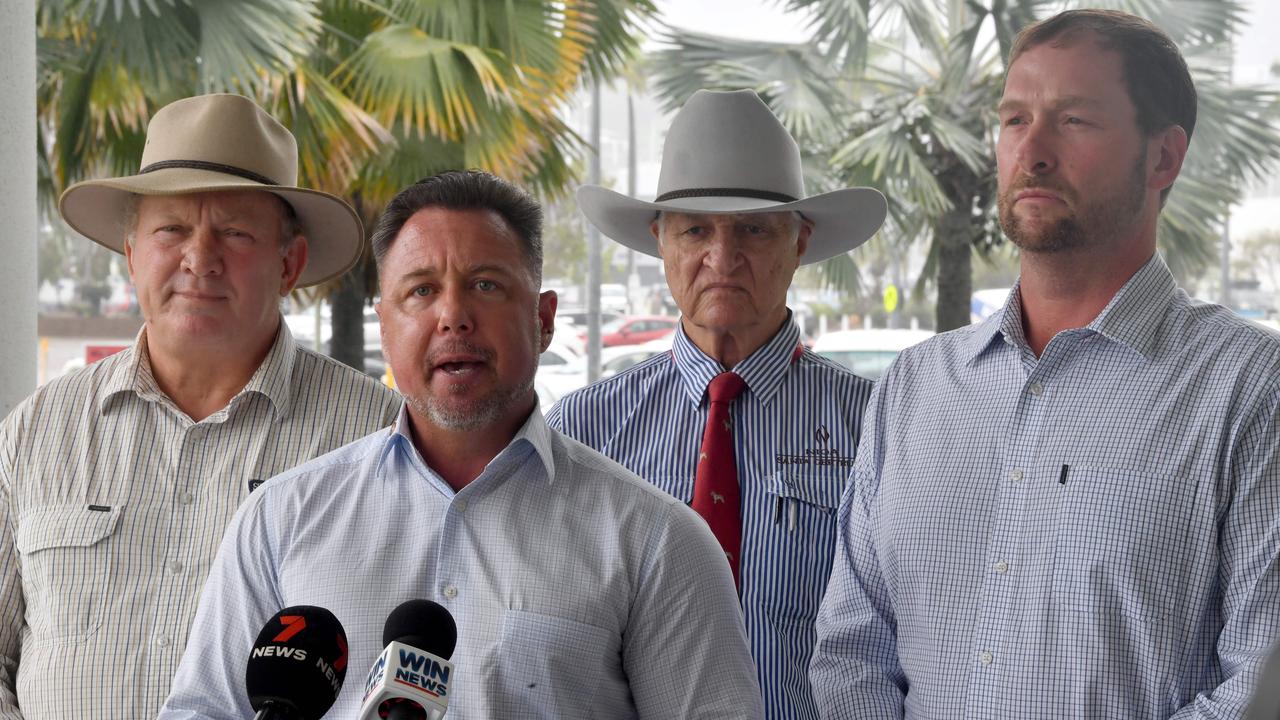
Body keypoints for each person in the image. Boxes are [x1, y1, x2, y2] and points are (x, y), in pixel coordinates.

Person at [810, 10, 1280, 719]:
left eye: (1074, 121)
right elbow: (852, 650)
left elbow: (1258, 689)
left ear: (1163, 158)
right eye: (1014, 119)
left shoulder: (1248, 389)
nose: (1031, 150)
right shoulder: (916, 386)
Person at [158, 170, 763, 719]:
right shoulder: (281, 519)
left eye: (485, 285)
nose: (453, 316)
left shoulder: (657, 540)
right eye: (420, 291)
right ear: (384, 324)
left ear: (545, 319)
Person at [0, 93, 400, 719]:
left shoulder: (376, 436)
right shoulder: (35, 431)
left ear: (289, 263)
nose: (199, 258)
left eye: (235, 232)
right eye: (172, 230)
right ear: (132, 254)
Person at [548, 88, 888, 719]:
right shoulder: (583, 428)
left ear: (800, 241)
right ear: (659, 241)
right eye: (695, 230)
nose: (722, 258)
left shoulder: (876, 427)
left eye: (753, 230)